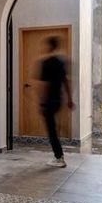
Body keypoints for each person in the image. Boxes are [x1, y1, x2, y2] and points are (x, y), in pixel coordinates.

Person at [38, 35, 74, 167]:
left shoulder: (46, 62)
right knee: (53, 128)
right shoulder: (61, 61)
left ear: (49, 46)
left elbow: (45, 85)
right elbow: (66, 81)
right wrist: (69, 99)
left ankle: (59, 157)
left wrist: (42, 102)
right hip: (59, 100)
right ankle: (59, 156)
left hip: (49, 101)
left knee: (51, 130)